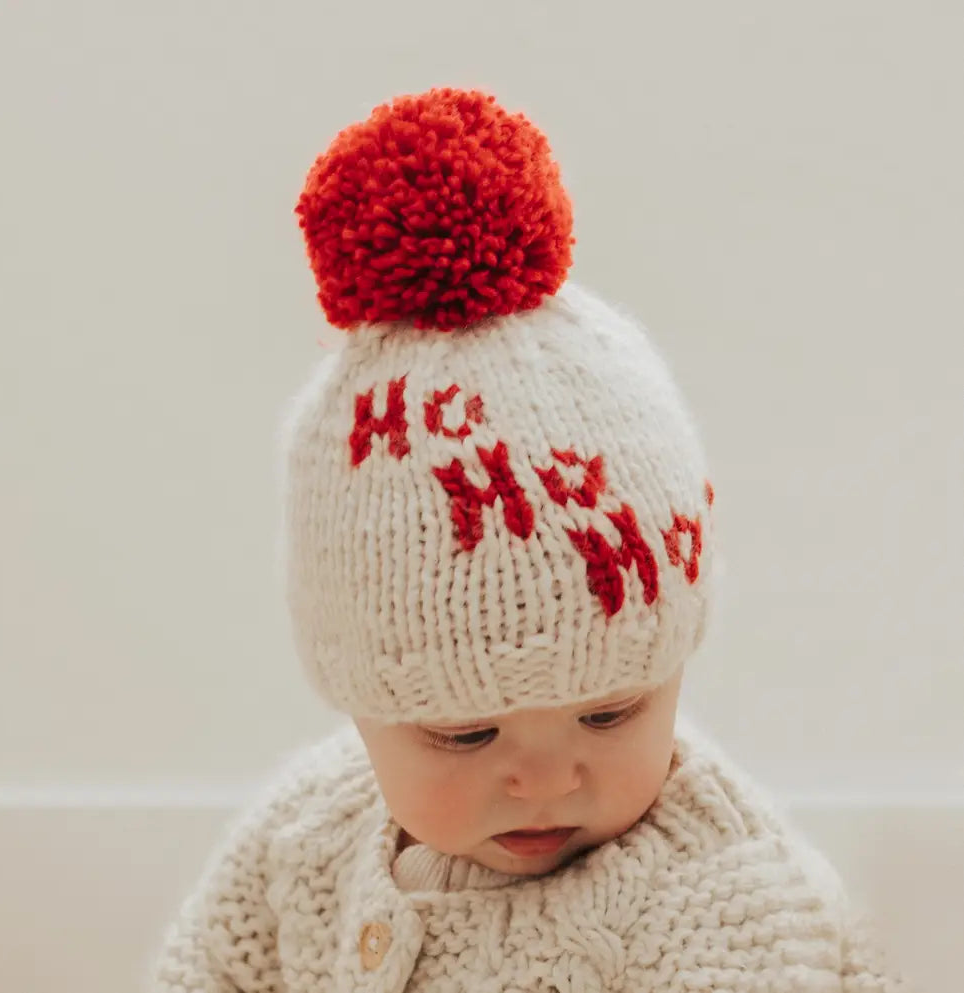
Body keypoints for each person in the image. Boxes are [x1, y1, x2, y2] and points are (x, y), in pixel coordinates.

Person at [151, 87, 912, 992]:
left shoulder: (721, 905)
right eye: (465, 733)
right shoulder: (306, 834)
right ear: (356, 701)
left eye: (610, 712)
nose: (547, 779)